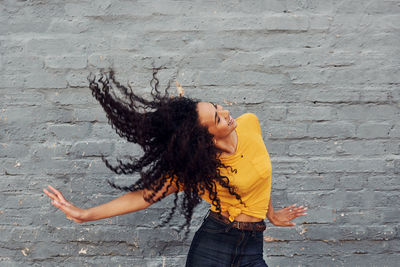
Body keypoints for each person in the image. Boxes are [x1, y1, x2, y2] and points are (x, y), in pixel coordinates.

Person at [43, 69, 307, 267]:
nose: (227, 112)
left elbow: (260, 175)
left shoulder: (250, 124)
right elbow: (144, 197)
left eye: (217, 107)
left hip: (252, 246)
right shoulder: (197, 168)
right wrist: (84, 214)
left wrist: (270, 214)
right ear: (206, 138)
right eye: (218, 117)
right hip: (213, 245)